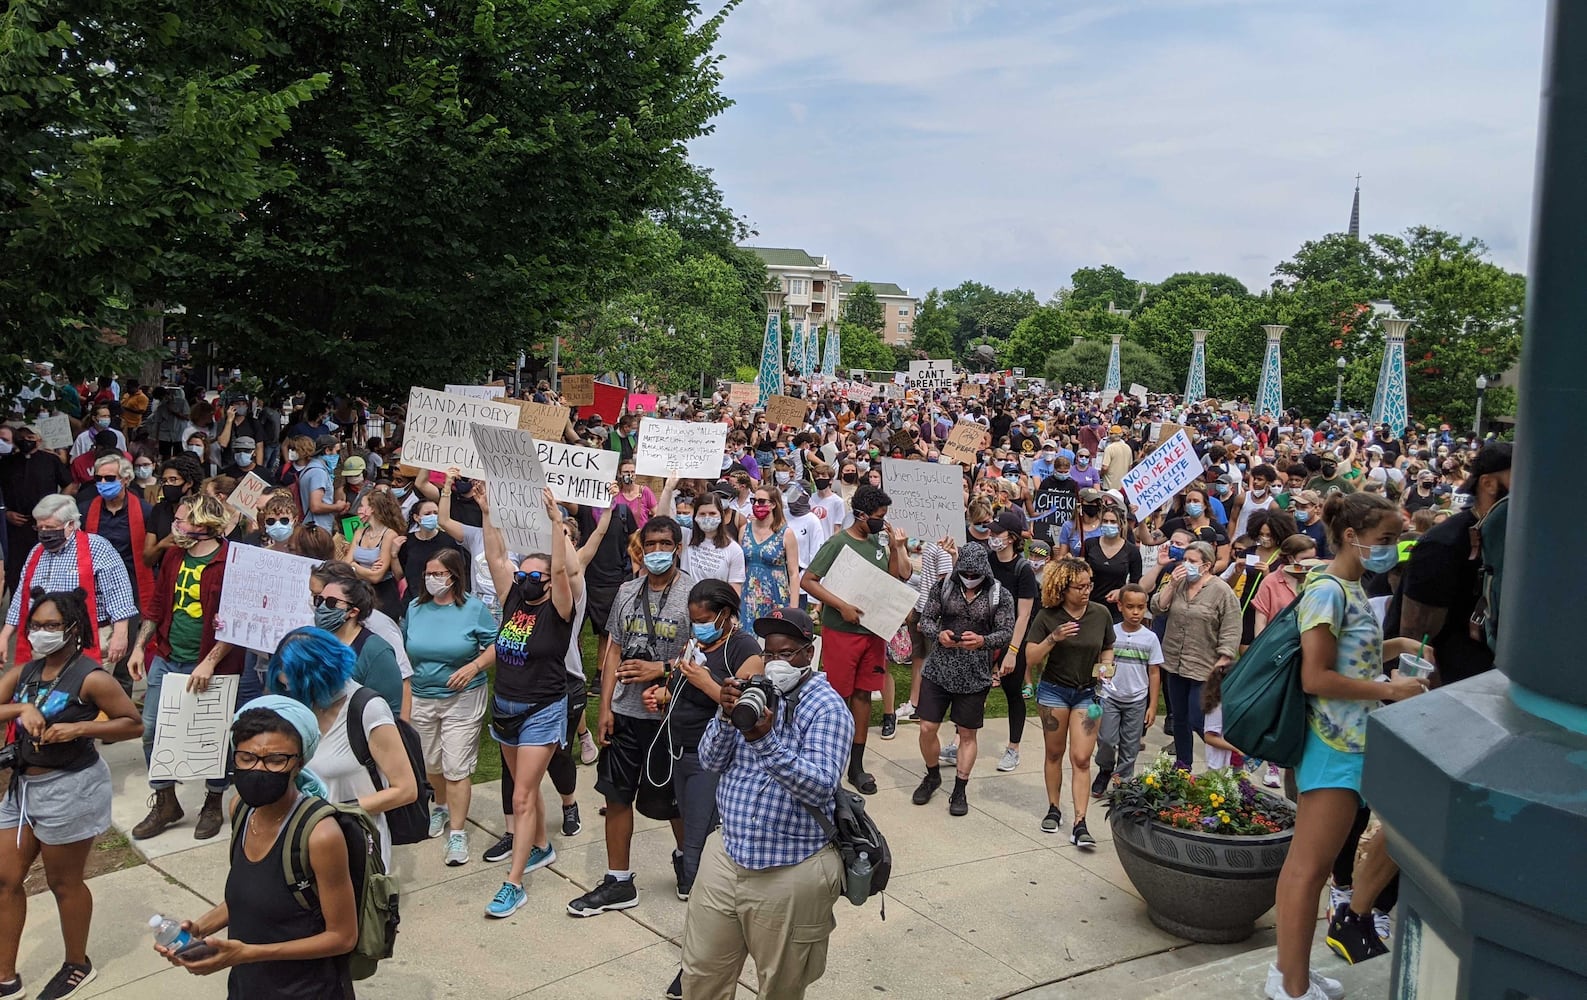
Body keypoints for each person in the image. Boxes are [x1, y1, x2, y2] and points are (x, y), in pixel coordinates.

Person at [1267, 492, 1429, 1000]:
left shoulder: (1350, 587)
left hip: (1352, 743)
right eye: (1386, 540)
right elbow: (1317, 677)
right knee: (1308, 869)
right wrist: (1390, 688)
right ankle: (1290, 985)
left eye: (1398, 539)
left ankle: (1293, 971)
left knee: (1313, 867)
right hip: (1332, 744)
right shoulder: (1328, 591)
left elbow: (1349, 658)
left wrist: (1394, 649)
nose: (1393, 548)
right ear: (1352, 537)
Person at [679, 607, 851, 1000]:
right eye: (770, 653)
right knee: (701, 975)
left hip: (790, 869)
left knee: (780, 987)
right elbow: (709, 761)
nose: (776, 662)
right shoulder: (750, 692)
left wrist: (764, 740)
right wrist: (726, 716)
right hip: (727, 856)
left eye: (787, 652)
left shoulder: (825, 706)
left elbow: (821, 786)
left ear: (809, 652)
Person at [156, 699, 359, 998]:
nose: (258, 768)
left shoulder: (320, 835)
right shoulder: (241, 809)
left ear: (299, 763)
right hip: (246, 986)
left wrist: (247, 954)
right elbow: (252, 897)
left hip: (306, 990)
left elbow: (343, 937)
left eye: (276, 759)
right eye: (247, 757)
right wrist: (198, 930)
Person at [0, 589, 142, 1000]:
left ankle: (78, 964)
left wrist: (80, 728)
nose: (42, 633)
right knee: (7, 878)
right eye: (36, 626)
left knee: (65, 882)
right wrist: (20, 710)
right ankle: (6, 976)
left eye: (52, 626)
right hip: (23, 787)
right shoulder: (25, 672)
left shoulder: (91, 677)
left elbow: (132, 724)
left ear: (74, 629)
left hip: (70, 788)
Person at [569, 515, 694, 917]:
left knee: (672, 802)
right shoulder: (626, 591)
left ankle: (688, 861)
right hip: (624, 712)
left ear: (677, 547)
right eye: (651, 544)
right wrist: (604, 707)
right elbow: (613, 652)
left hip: (668, 717)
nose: (657, 552)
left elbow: (705, 653)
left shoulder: (693, 594)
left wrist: (662, 670)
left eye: (665, 544)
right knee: (616, 795)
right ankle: (617, 881)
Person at [479, 490, 581, 919]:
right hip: (506, 708)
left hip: (541, 709)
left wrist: (556, 522)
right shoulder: (513, 599)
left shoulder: (560, 609)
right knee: (527, 789)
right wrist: (488, 512)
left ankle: (514, 883)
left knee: (521, 796)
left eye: (534, 575)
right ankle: (540, 846)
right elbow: (496, 555)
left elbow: (560, 569)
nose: (527, 579)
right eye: (524, 573)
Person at [641, 579, 763, 915]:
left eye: (705, 618)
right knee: (687, 826)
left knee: (698, 837)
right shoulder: (694, 644)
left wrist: (706, 682)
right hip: (678, 749)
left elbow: (744, 710)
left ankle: (699, 904)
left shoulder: (744, 649)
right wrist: (663, 695)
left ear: (725, 615)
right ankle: (696, 885)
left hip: (711, 759)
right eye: (694, 619)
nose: (698, 626)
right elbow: (680, 687)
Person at [128, 494, 244, 841]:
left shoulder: (232, 562)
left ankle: (213, 799)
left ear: (204, 525)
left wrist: (209, 663)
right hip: (167, 656)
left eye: (182, 521)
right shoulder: (175, 556)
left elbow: (238, 622)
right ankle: (165, 800)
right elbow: (157, 604)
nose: (175, 526)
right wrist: (139, 648)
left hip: (214, 665)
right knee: (151, 729)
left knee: (216, 736)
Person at [266, 627, 417, 869]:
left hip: (357, 846)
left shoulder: (368, 709)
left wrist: (333, 811)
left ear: (317, 677)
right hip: (305, 841)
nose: (289, 692)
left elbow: (406, 790)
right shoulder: (300, 708)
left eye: (294, 685)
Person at [799, 485, 911, 796]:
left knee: (863, 696)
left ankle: (856, 765)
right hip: (843, 632)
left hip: (871, 632)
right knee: (839, 698)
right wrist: (841, 606)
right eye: (878, 517)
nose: (881, 522)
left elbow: (893, 577)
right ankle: (830, 762)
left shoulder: (878, 541)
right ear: (860, 516)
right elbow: (808, 580)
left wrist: (896, 547)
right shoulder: (837, 543)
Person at [402, 548, 498, 865]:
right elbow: (404, 647)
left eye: (438, 574)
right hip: (422, 696)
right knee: (431, 763)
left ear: (454, 576)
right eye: (428, 573)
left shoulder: (473, 609)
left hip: (463, 697)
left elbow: (498, 643)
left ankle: (457, 834)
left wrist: (474, 667)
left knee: (456, 765)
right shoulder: (415, 608)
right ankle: (440, 806)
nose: (432, 579)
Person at [1393, 442, 1511, 688]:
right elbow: (1415, 638)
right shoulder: (1444, 543)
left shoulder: (1511, 538)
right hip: (1446, 688)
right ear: (1488, 483)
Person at [911, 543, 1014, 816]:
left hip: (975, 674)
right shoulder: (943, 587)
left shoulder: (998, 595)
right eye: (965, 571)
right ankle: (932, 775)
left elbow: (1006, 632)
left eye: (974, 572)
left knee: (967, 734)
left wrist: (982, 641)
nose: (969, 576)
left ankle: (960, 788)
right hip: (939, 669)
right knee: (926, 728)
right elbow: (927, 619)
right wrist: (939, 634)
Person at [1024, 557, 1113, 846]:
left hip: (1088, 693)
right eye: (1080, 587)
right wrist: (1053, 638)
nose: (1086, 591)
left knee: (1082, 758)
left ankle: (1080, 822)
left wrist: (1105, 668)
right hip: (1054, 692)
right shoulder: (1048, 616)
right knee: (1054, 753)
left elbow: (1108, 647)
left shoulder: (1100, 614)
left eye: (1089, 585)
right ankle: (1053, 807)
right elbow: (1031, 657)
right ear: (1063, 587)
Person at [0, 494, 138, 671]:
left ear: (71, 524)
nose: (44, 533)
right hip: (44, 639)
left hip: (87, 639)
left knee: (85, 695)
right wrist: (4, 636)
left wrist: (120, 635)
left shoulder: (97, 548)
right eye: (40, 527)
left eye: (50, 527)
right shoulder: (37, 552)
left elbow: (119, 595)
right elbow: (21, 597)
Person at [1151, 540, 1242, 771]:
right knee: (1179, 718)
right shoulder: (1179, 584)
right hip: (1175, 663)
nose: (1186, 565)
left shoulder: (1221, 591)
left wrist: (1224, 657)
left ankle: (1232, 757)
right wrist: (1171, 585)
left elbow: (1232, 627)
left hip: (1204, 666)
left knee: (1197, 718)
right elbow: (1157, 608)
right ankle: (1183, 766)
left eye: (1192, 561)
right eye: (1185, 560)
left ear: (1207, 565)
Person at [1090, 584, 1163, 795]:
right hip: (1111, 696)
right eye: (1130, 607)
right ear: (1120, 606)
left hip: (1137, 698)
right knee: (1105, 739)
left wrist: (1152, 705)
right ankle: (1105, 769)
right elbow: (1100, 663)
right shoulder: (1112, 633)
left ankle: (1123, 780)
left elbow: (1154, 672)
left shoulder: (1150, 638)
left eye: (1141, 607)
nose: (1136, 612)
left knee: (1130, 745)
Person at [308, 563, 407, 717]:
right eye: (318, 600)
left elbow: (389, 709)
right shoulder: (314, 642)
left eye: (331, 603)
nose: (321, 607)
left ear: (353, 611)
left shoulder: (376, 650)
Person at [983, 509, 1038, 772]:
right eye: (991, 532)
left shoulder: (1023, 570)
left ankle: (1013, 748)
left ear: (1012, 538)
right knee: (973, 690)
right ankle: (960, 738)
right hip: (985, 636)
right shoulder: (986, 559)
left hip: (1011, 638)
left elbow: (1024, 614)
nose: (992, 536)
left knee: (1013, 693)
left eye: (997, 533)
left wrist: (1013, 651)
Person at [0, 427, 74, 597]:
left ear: (39, 439)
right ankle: (17, 612)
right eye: (21, 436)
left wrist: (55, 510)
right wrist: (6, 514)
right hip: (15, 528)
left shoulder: (51, 461)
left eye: (30, 436)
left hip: (45, 526)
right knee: (16, 572)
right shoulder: (6, 463)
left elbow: (69, 485)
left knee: (46, 566)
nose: (25, 439)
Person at [740, 484, 801, 625]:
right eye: (753, 501)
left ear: (773, 504)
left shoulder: (786, 533)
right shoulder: (744, 530)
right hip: (748, 598)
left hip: (776, 597)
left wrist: (793, 608)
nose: (756, 504)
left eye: (761, 501)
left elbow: (793, 573)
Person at [349, 491, 405, 620]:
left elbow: (376, 577)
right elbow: (346, 565)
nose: (359, 510)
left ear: (372, 508)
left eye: (362, 506)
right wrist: (362, 570)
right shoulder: (359, 532)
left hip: (383, 594)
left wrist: (355, 566)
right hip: (361, 591)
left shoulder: (390, 535)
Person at [1082, 501, 1142, 622]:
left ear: (1121, 524)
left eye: (1113, 522)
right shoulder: (1090, 544)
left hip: (1116, 609)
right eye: (1105, 521)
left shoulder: (1131, 551)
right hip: (1089, 605)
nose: (1108, 524)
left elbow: (1136, 583)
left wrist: (1122, 592)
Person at [679, 492, 745, 594]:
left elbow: (735, 590)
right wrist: (668, 490)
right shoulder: (686, 537)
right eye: (702, 514)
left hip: (714, 606)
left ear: (721, 515)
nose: (707, 518)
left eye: (712, 513)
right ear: (695, 516)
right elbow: (662, 522)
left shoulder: (734, 550)